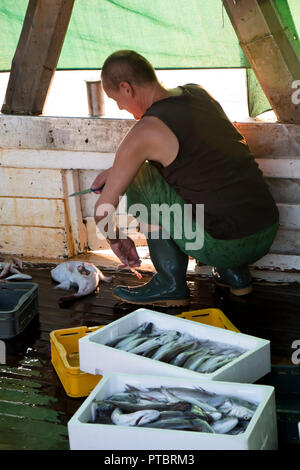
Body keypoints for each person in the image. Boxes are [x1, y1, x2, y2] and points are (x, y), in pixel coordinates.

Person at [92, 50, 279, 307]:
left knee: (140, 177)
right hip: (266, 231)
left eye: (116, 100)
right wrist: (116, 170)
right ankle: (234, 274)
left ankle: (170, 283)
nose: (121, 108)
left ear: (127, 88)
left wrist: (116, 239)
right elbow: (205, 160)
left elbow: (103, 211)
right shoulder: (198, 92)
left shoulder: (145, 130)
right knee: (209, 189)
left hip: (222, 244)